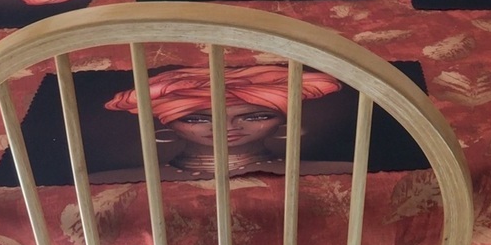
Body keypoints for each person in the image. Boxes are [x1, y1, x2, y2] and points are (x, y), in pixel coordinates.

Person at [102, 64, 348, 179]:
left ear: (283, 122)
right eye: (196, 119)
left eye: (255, 117)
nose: (227, 128)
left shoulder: (338, 174)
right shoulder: (109, 181)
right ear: (167, 125)